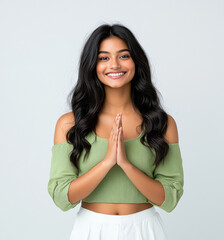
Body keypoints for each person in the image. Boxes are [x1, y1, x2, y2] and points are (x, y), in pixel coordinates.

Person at [47, 23, 184, 240]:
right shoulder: (69, 124)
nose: (114, 64)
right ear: (92, 65)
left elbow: (170, 198)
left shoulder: (163, 123)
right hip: (91, 230)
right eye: (104, 58)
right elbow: (62, 197)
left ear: (136, 62)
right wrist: (107, 162)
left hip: (144, 230)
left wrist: (126, 165)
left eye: (123, 56)